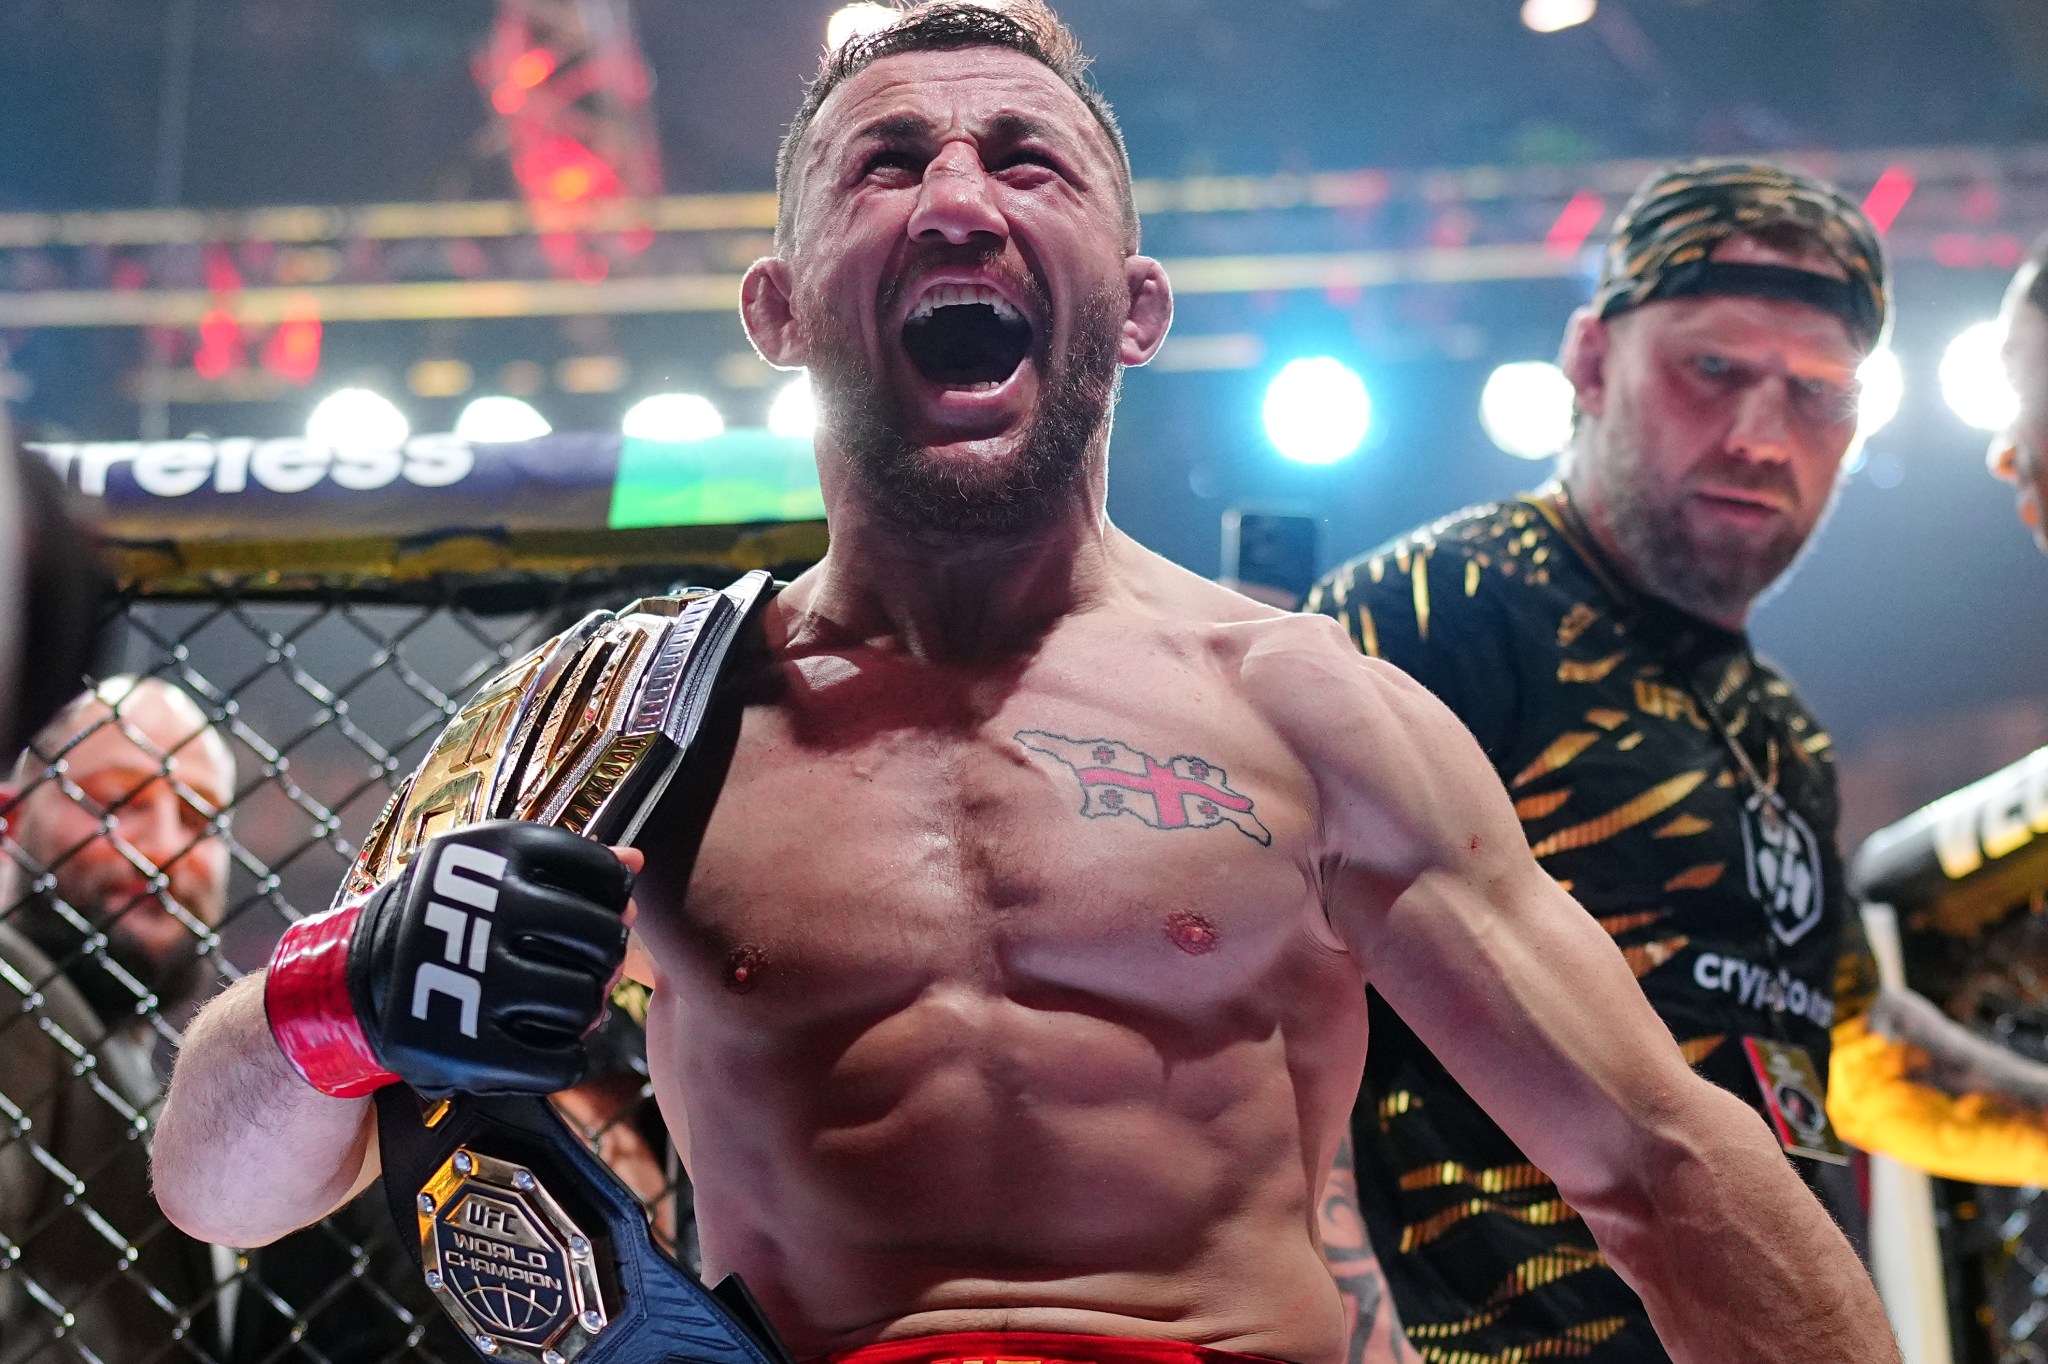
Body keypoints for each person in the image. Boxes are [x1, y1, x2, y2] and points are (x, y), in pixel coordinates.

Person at [153, 9, 1898, 1364]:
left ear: (1134, 309)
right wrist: (342, 991)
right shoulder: (627, 724)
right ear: (778, 308)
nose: (960, 200)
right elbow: (215, 1187)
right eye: (887, 163)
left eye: (1025, 161)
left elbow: (1664, 1164)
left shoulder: (1308, 711)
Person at [1305, 160, 1903, 1362]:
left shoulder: (1784, 730)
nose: (1759, 437)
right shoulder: (1437, 608)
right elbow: (1266, 1014)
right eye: (1710, 370)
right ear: (1588, 362)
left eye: (1817, 392)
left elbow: (1849, 1059)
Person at [0, 677, 235, 1364]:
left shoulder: (140, 1076)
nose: (163, 851)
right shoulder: (12, 990)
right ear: (10, 821)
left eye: (198, 820)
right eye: (118, 803)